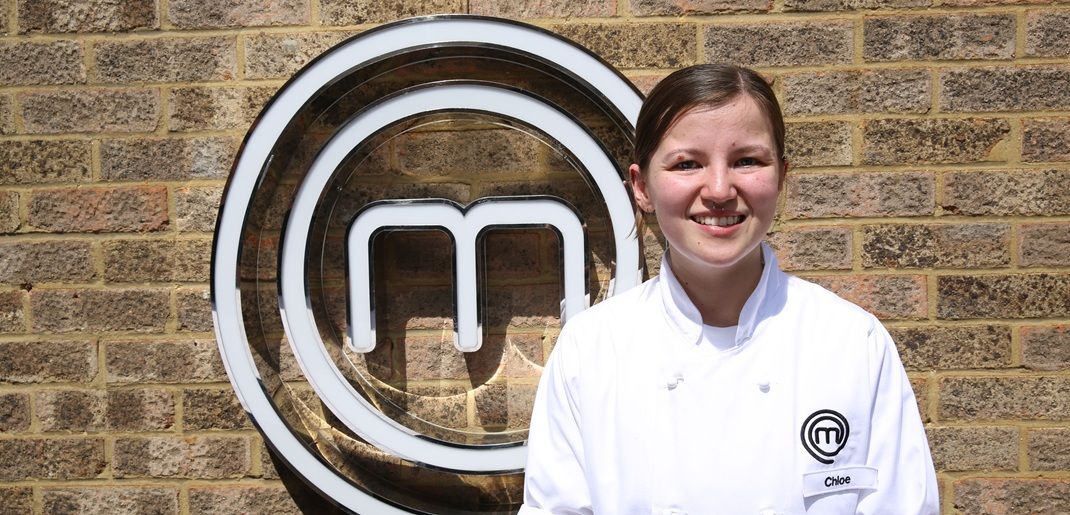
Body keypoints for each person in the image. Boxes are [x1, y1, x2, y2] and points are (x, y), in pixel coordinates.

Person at [519, 64, 939, 514]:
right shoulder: (592, 350)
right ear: (641, 187)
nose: (719, 189)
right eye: (687, 164)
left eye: (747, 161)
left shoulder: (853, 343)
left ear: (781, 177)